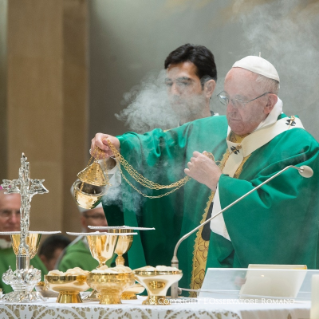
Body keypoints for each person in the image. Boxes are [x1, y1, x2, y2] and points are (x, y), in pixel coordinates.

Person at [90, 56, 319, 292]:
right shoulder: (214, 129)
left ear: (269, 103)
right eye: (226, 98)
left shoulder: (297, 147)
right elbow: (163, 146)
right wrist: (119, 146)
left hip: (248, 290)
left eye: (239, 100)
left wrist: (219, 182)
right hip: (192, 281)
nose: (230, 109)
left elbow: (281, 219)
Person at [0, 188, 48, 294]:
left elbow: (46, 293)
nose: (13, 220)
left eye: (19, 213)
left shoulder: (27, 251)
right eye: (5, 213)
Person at [164, 43, 217, 124]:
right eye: (169, 84)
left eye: (184, 83)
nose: (174, 93)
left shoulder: (229, 135)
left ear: (209, 89)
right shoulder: (167, 136)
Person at [57, 203, 114, 271]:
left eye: (110, 216)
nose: (106, 223)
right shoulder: (72, 259)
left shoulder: (121, 252)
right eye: (98, 216)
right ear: (83, 221)